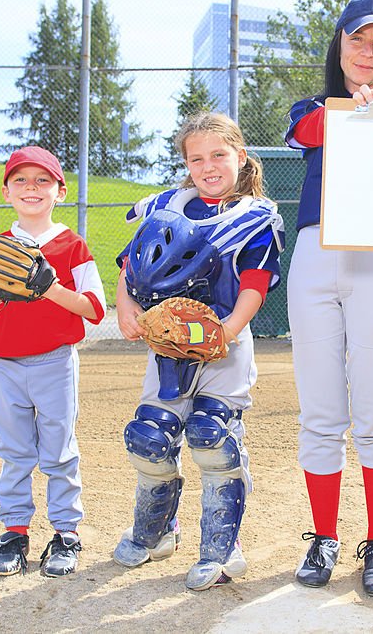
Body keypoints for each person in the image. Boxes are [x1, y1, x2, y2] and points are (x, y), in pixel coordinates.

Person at [284, 0, 373, 597]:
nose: (367, 51)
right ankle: (323, 536)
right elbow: (306, 130)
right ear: (338, 44)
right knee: (321, 411)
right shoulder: (313, 108)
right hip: (317, 256)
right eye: (357, 39)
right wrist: (359, 110)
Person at [112, 112, 284, 591]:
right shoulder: (166, 207)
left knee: (212, 434)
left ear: (240, 156)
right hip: (166, 347)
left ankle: (221, 549)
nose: (208, 166)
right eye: (196, 158)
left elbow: (254, 285)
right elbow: (130, 266)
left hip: (224, 347)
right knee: (149, 435)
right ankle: (155, 532)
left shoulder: (255, 216)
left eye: (218, 155)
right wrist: (126, 310)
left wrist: (225, 331)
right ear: (186, 163)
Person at [0, 146, 107, 578]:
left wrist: (49, 288)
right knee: (14, 451)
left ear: (60, 191)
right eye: (21, 180)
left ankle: (66, 532)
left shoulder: (71, 246)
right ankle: (13, 533)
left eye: (42, 180)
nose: (32, 188)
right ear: (6, 191)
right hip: (6, 364)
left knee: (59, 451)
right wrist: (0, 291)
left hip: (55, 362)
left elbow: (94, 308)